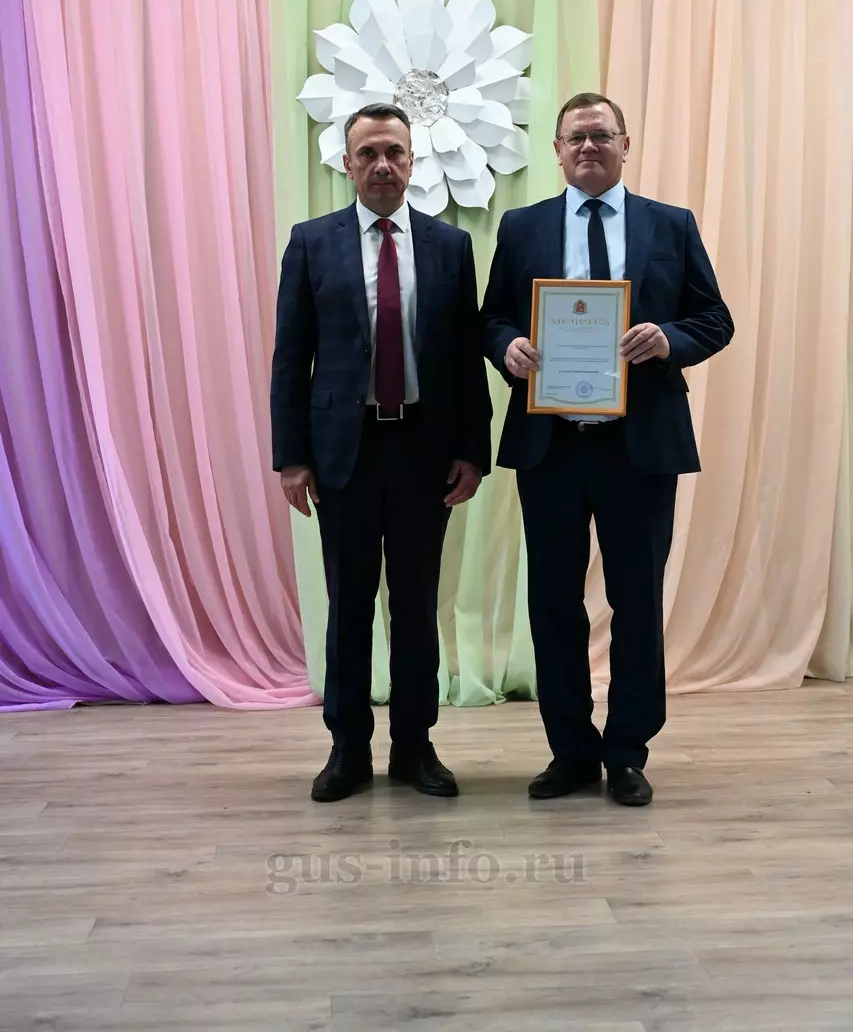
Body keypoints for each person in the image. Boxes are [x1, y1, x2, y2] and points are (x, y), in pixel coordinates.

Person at [481, 92, 733, 806]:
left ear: (625, 144)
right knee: (553, 603)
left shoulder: (670, 224)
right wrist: (508, 345)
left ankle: (626, 752)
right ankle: (569, 752)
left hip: (639, 446)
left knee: (636, 602)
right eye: (575, 137)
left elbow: (714, 318)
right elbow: (491, 317)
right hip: (552, 447)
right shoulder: (523, 226)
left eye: (600, 135)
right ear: (557, 151)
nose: (587, 147)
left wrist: (668, 339)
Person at [271, 103, 492, 802]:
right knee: (349, 605)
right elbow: (290, 357)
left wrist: (473, 450)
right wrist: (292, 456)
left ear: (412, 160)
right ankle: (347, 749)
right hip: (345, 451)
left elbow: (464, 359)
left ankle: (414, 747)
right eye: (367, 153)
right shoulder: (312, 243)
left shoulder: (450, 246)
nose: (382, 165)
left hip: (425, 449)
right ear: (346, 163)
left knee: (417, 605)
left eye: (394, 151)